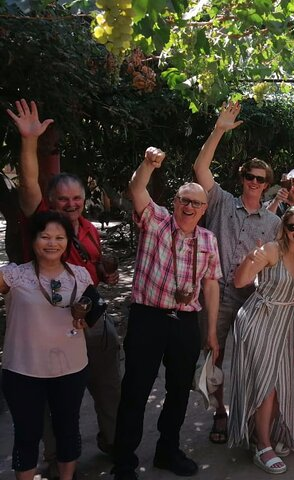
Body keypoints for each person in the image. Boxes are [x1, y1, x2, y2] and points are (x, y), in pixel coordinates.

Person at [7, 99, 122, 464]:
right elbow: (27, 184)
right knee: (56, 401)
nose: (70, 205)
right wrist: (29, 142)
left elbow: (91, 273)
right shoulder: (41, 223)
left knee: (108, 388)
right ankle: (58, 460)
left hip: (91, 318)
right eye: (63, 199)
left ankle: (113, 443)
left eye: (76, 199)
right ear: (50, 201)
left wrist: (106, 273)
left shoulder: (88, 229)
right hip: (49, 327)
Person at [112, 147, 222, 480]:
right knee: (136, 389)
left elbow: (212, 285)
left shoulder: (208, 239)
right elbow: (137, 189)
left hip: (186, 322)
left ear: (204, 210)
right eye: (184, 200)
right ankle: (125, 461)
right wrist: (146, 164)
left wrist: (212, 331)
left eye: (196, 203)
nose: (189, 207)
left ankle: (167, 451)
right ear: (174, 202)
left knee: (177, 391)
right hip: (149, 317)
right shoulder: (156, 220)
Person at [193, 101, 281, 444]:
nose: (255, 182)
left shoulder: (274, 223)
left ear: (267, 184)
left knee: (250, 360)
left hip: (252, 297)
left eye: (261, 179)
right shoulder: (220, 202)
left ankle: (248, 414)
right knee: (214, 353)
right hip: (216, 291)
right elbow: (201, 168)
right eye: (250, 177)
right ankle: (219, 411)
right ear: (242, 179)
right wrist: (218, 130)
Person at [1, 210, 94, 480]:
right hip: (23, 371)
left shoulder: (80, 276)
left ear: (68, 242)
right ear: (33, 240)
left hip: (71, 368)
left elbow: (90, 315)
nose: (52, 243)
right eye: (45, 237)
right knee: (27, 433)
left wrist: (84, 321)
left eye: (59, 237)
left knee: (68, 429)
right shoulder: (14, 276)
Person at [227, 206, 294, 474]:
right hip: (257, 320)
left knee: (278, 385)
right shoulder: (271, 250)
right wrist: (251, 259)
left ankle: (260, 435)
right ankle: (262, 446)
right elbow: (240, 280)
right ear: (284, 228)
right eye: (293, 226)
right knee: (266, 385)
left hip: (282, 324)